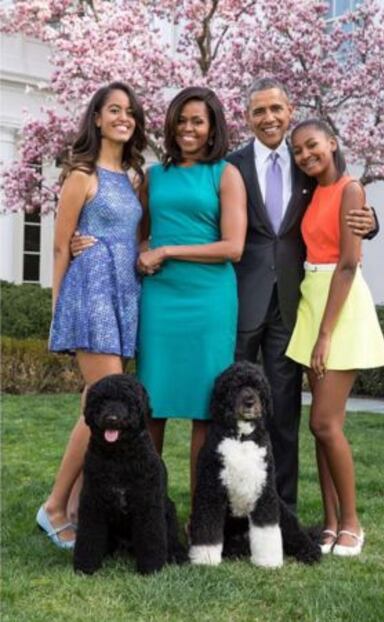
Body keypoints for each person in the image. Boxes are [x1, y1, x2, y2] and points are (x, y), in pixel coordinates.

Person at [227, 77, 379, 513]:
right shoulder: (232, 165)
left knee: (284, 412)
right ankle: (232, 506)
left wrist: (371, 220)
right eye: (259, 111)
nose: (269, 118)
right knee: (231, 405)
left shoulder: (306, 160)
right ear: (248, 117)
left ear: (289, 111)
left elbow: (343, 200)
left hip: (295, 307)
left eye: (276, 109)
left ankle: (282, 510)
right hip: (243, 299)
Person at [36, 82, 146, 548]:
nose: (123, 117)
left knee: (94, 403)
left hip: (125, 291)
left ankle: (79, 506)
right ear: (97, 118)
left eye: (130, 111)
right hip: (91, 291)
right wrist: (59, 307)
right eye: (113, 110)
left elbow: (135, 235)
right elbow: (62, 245)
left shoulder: (136, 177)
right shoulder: (81, 173)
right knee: (103, 400)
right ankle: (56, 506)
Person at [136, 86, 247, 502]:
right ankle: (147, 510)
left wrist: (168, 249)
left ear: (212, 125)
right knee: (151, 405)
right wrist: (141, 253)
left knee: (206, 408)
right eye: (181, 120)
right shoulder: (154, 176)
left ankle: (202, 516)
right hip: (160, 300)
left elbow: (233, 247)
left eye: (197, 121)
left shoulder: (226, 174)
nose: (188, 128)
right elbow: (137, 234)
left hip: (209, 300)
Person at [286, 118, 384, 555]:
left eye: (313, 146)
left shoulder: (351, 188)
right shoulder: (312, 191)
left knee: (323, 422)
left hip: (339, 305)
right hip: (312, 298)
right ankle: (329, 524)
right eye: (298, 151)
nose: (306, 155)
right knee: (323, 427)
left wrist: (325, 334)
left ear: (333, 141)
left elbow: (348, 263)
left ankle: (351, 522)